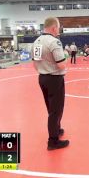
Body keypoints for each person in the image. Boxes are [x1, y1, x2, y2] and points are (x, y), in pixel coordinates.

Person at [32, 17, 69, 150]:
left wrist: (44, 70)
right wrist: (65, 55)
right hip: (54, 79)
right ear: (54, 28)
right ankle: (53, 141)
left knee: (51, 108)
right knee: (56, 109)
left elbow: (35, 64)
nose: (58, 30)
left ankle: (56, 129)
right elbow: (61, 65)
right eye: (58, 28)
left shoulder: (37, 42)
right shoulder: (54, 42)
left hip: (42, 78)